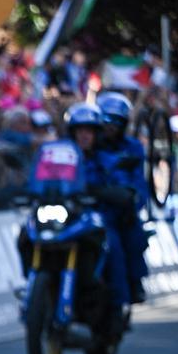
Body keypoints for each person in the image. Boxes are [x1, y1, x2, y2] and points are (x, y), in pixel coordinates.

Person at [65, 102, 129, 334]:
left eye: (89, 130)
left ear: (96, 134)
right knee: (27, 233)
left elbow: (121, 184)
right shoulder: (61, 157)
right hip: (66, 219)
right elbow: (41, 178)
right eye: (80, 130)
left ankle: (117, 305)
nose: (84, 135)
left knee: (111, 244)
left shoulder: (106, 160)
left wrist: (112, 192)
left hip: (97, 219)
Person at [96, 91, 150, 303]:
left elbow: (139, 182)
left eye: (116, 121)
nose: (110, 125)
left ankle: (133, 284)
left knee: (132, 237)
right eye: (106, 119)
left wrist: (132, 200)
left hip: (119, 209)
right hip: (90, 208)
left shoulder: (132, 147)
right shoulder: (88, 144)